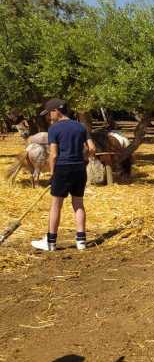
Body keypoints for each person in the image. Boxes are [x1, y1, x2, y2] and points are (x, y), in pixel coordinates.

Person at [31, 99, 96, 251]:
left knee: (56, 205)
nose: (48, 117)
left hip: (62, 168)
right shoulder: (81, 126)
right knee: (78, 203)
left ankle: (51, 242)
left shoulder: (54, 129)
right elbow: (92, 148)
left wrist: (53, 174)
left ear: (56, 111)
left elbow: (53, 155)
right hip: (79, 169)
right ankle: (81, 241)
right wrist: (84, 159)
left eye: (49, 113)